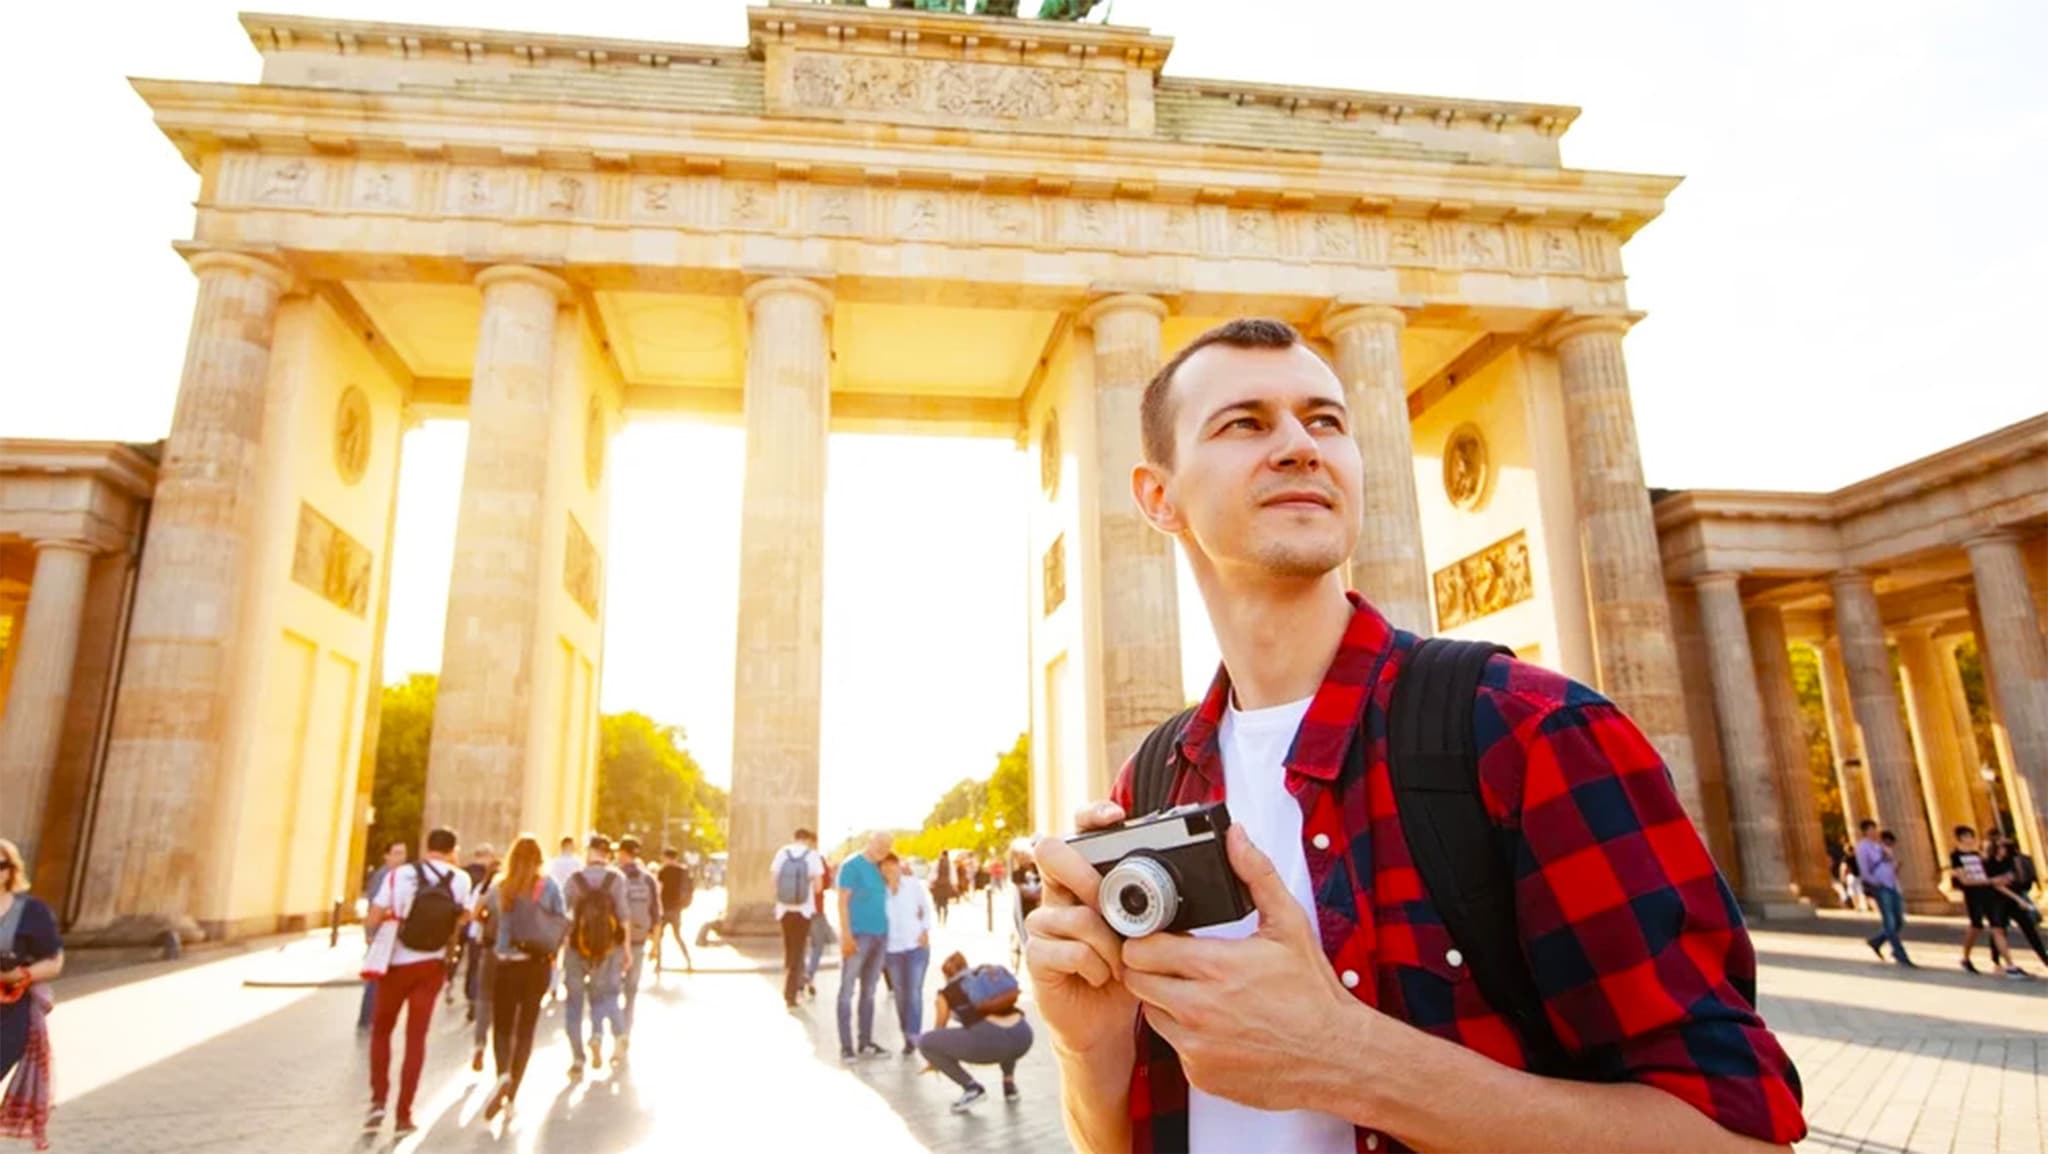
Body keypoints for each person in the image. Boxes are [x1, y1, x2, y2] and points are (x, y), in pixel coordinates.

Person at [1025, 318, 1807, 1153]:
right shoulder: (1153, 784)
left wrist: (1348, 1061)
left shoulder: (1530, 735)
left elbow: (1744, 1140)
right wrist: (1088, 1045)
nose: (1299, 445)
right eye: (1245, 422)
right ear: (1158, 496)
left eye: (1325, 420)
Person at [364, 826, 471, 1138]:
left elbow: (374, 916)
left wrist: (374, 936)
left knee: (381, 1031)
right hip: (432, 965)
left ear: (427, 847)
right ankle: (403, 1115)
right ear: (453, 850)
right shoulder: (460, 879)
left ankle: (377, 1102)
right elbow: (463, 918)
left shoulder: (400, 875)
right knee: (416, 1038)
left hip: (395, 964)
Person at [482, 835, 567, 1122]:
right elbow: (561, 920)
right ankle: (512, 1096)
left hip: (507, 963)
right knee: (527, 1028)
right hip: (538, 964)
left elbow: (491, 921)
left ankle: (502, 1074)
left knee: (503, 1026)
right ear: (539, 859)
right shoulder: (550, 886)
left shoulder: (501, 887)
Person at [0, 839, 62, 1152]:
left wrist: (20, 975)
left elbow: (54, 961)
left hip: (10, 1014)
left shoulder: (31, 911)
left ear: (11, 870)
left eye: (1, 865)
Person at [917, 951, 1033, 1113]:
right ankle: (1009, 1084)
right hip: (1023, 1036)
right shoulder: (985, 979)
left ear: (946, 974)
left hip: (992, 1043)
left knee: (926, 1042)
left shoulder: (946, 993)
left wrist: (934, 1062)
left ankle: (972, 1088)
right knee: (1001, 1030)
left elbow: (939, 1030)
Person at [563, 834, 631, 1073]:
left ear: (588, 852)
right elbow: (623, 917)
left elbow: (564, 917)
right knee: (603, 995)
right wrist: (627, 949)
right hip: (607, 948)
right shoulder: (617, 879)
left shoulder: (574, 880)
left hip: (576, 947)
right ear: (608, 854)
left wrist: (559, 949)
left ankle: (577, 1059)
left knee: (574, 1003)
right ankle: (601, 1035)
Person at [837, 831, 894, 1062]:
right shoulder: (852, 865)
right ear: (869, 842)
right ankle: (846, 1046)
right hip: (859, 936)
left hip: (881, 936)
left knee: (869, 992)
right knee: (847, 991)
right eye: (879, 843)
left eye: (887, 845)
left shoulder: (883, 867)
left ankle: (866, 1042)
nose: (883, 848)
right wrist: (846, 936)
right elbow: (842, 902)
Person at [1950, 825, 2028, 978]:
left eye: (1971, 836)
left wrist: (1999, 879)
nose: (1971, 840)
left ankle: (2010, 965)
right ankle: (1965, 957)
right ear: (1960, 838)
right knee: (1976, 926)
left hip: (1987, 894)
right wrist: (1990, 880)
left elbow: (1986, 873)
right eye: (1967, 836)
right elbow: (1965, 881)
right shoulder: (1956, 856)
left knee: (1997, 928)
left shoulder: (1977, 855)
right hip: (1973, 895)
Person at [881, 853, 936, 1055]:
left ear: (898, 865)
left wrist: (925, 929)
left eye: (892, 865)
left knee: (913, 992)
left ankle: (913, 1035)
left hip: (916, 947)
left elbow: (926, 908)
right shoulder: (879, 892)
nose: (889, 870)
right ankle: (906, 1030)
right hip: (892, 950)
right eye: (884, 868)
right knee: (900, 994)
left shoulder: (913, 885)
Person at [613, 836, 663, 1057]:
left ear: (622, 853)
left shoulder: (613, 877)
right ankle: (625, 1034)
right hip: (639, 941)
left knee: (610, 991)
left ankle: (615, 1032)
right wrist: (656, 946)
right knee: (630, 993)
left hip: (614, 943)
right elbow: (657, 915)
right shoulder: (649, 880)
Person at [770, 828, 826, 1008]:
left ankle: (790, 984)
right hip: (804, 909)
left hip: (784, 909)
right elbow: (818, 887)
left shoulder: (782, 852)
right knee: (798, 949)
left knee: (789, 948)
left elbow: (774, 880)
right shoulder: (812, 855)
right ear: (808, 839)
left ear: (794, 838)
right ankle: (790, 993)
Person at [358, 839, 408, 1030]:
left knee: (381, 978)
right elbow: (375, 907)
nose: (401, 858)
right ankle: (369, 1018)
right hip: (381, 934)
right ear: (386, 856)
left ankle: (372, 1017)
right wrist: (371, 933)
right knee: (376, 979)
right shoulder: (384, 876)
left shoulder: (398, 875)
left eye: (403, 853)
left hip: (389, 933)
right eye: (396, 853)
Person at [1983, 830, 2047, 966]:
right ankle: (1996, 959)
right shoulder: (1988, 864)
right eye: (2001, 847)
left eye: (2005, 847)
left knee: (2029, 928)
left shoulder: (2009, 861)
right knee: (2000, 929)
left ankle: (2044, 957)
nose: (2004, 850)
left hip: (2013, 899)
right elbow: (1998, 885)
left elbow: (2012, 879)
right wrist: (2019, 899)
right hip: (1998, 901)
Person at [1855, 821, 1912, 967]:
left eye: (1875, 829)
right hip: (1880, 886)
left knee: (1898, 920)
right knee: (1889, 921)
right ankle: (1899, 953)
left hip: (1892, 884)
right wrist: (1874, 882)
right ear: (1865, 831)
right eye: (1872, 829)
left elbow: (1889, 865)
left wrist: (1896, 867)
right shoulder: (1863, 847)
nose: (1875, 832)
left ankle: (1877, 940)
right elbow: (1864, 868)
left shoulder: (1881, 846)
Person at [654, 847, 695, 974]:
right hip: (677, 909)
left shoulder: (663, 871)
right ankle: (688, 961)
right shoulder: (683, 871)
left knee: (659, 937)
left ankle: (659, 965)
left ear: (665, 857)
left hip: (664, 908)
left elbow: (658, 890)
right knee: (678, 936)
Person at [806, 858, 837, 1000]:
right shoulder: (817, 859)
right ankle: (809, 973)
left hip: (795, 910)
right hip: (816, 909)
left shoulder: (785, 855)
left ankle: (800, 975)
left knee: (798, 945)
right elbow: (826, 884)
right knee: (818, 945)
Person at [933, 850, 956, 926]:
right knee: (945, 904)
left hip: (938, 885)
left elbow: (933, 873)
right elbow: (953, 875)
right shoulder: (950, 864)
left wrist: (931, 883)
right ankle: (944, 921)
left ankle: (939, 919)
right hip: (946, 885)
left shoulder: (937, 862)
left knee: (938, 903)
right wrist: (954, 885)